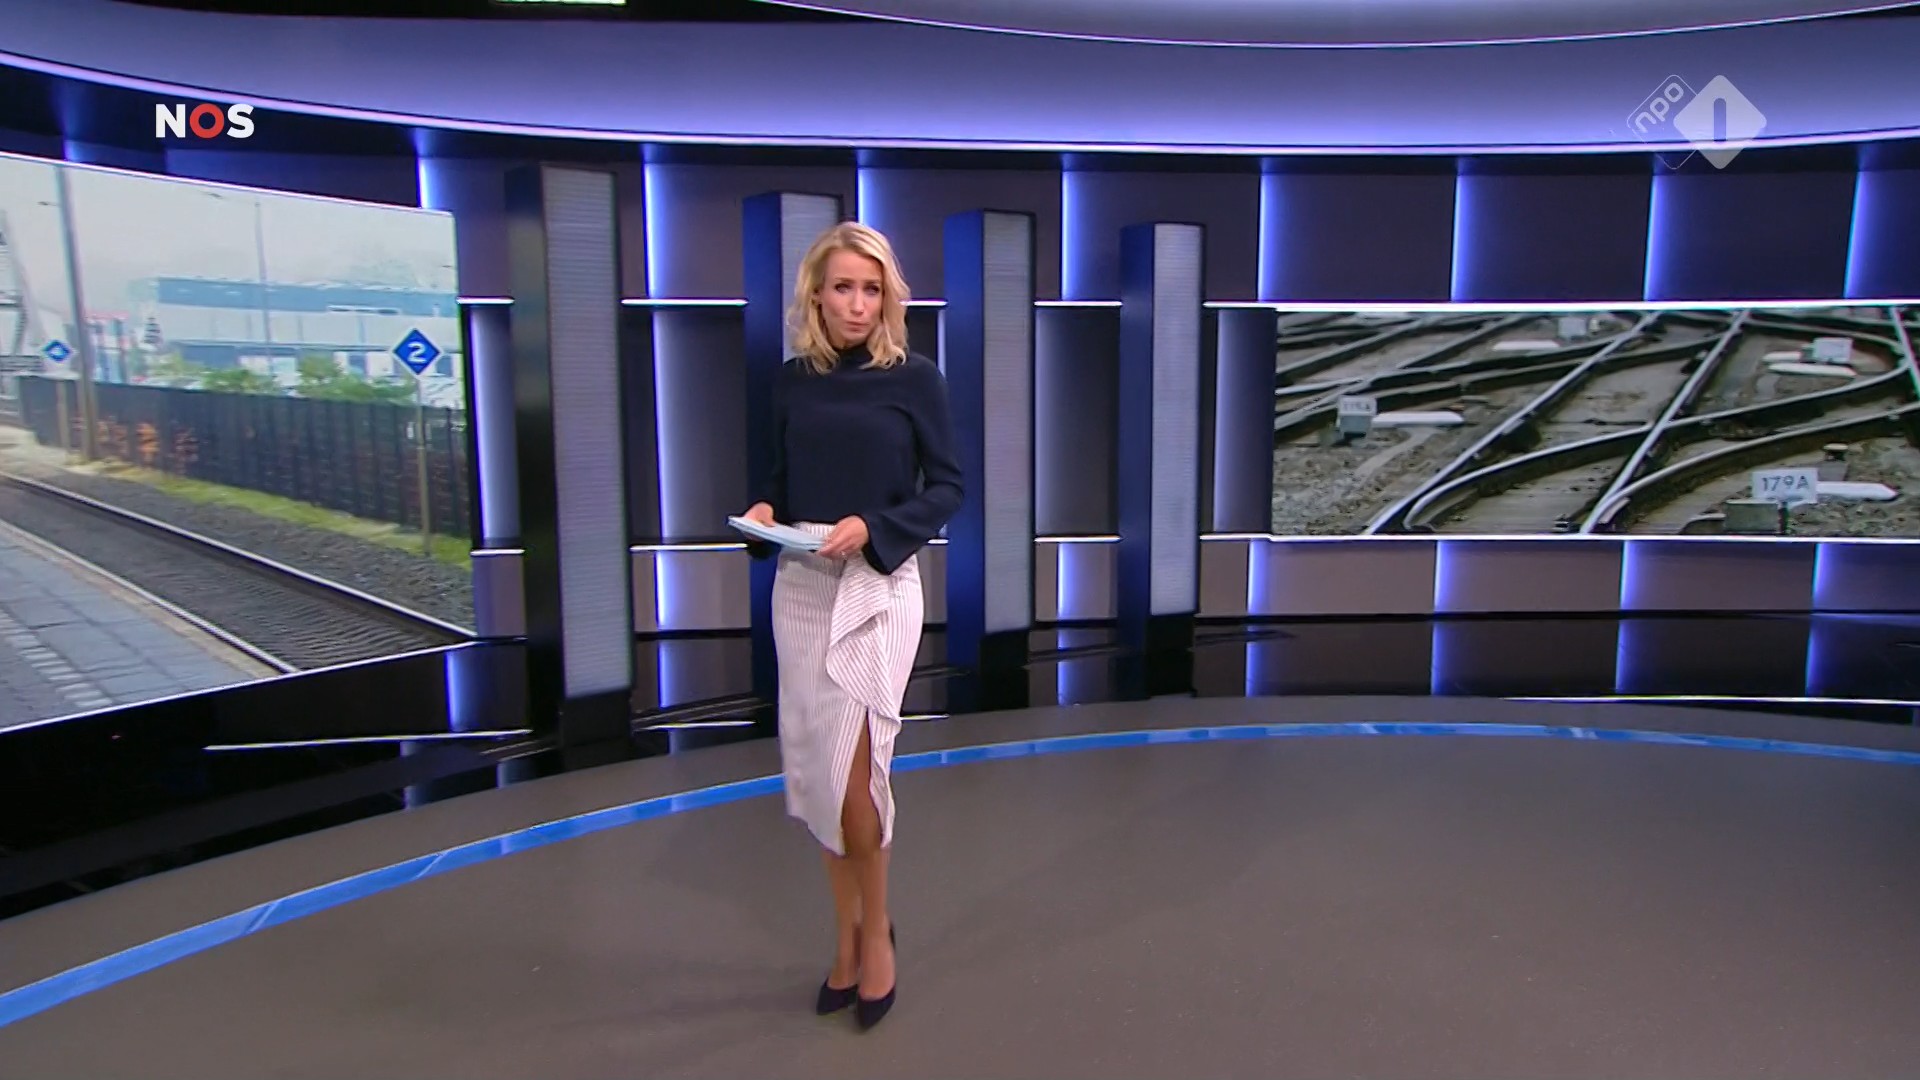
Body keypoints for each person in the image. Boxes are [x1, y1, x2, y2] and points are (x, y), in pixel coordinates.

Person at [737, 221, 963, 1031]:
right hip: (803, 584)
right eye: (843, 288)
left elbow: (947, 488)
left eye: (872, 289)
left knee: (860, 778)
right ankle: (845, 936)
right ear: (817, 295)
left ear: (887, 297)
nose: (858, 304)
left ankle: (877, 935)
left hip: (879, 583)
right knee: (818, 779)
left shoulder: (916, 379)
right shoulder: (790, 382)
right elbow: (774, 480)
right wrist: (764, 513)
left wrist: (874, 526)